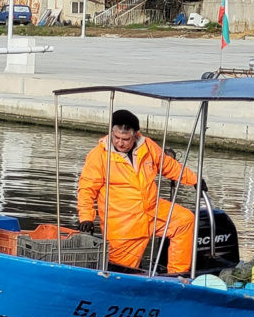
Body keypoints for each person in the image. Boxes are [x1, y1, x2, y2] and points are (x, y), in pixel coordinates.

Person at [77, 110, 201, 275]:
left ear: (134, 135)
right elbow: (87, 189)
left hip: (152, 210)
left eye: (125, 139)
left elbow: (168, 165)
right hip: (123, 224)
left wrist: (195, 180)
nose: (120, 143)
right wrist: (86, 217)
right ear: (111, 133)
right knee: (120, 272)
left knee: (185, 221)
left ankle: (176, 277)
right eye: (117, 138)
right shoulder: (99, 156)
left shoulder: (147, 146)